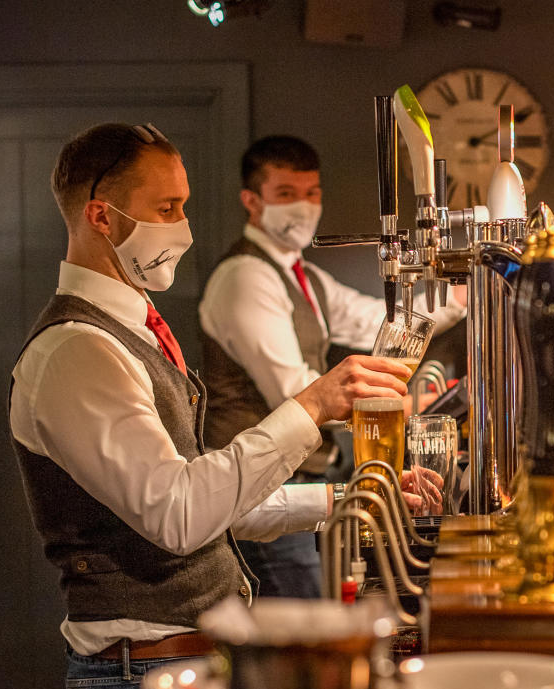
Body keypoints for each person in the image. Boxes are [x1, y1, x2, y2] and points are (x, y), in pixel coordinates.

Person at [9, 123, 412, 689]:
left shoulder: (133, 332)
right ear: (101, 215)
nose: (184, 228)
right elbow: (178, 515)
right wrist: (313, 405)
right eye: (166, 209)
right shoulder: (76, 352)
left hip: (181, 666)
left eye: (184, 207)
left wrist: (349, 498)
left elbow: (214, 502)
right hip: (140, 681)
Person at [198, 135, 463, 598]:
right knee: (299, 638)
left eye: (311, 193)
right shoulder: (245, 277)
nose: (303, 207)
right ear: (252, 201)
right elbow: (294, 391)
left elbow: (379, 321)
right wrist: (382, 410)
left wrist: (461, 295)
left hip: (300, 482)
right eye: (286, 194)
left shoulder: (304, 276)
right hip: (258, 492)